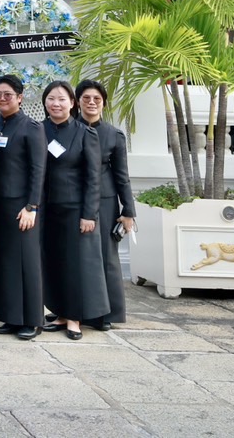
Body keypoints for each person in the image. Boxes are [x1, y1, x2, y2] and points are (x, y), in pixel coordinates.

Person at [39, 81, 110, 340]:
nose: (56, 104)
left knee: (75, 265)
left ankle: (74, 317)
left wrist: (89, 214)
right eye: (51, 99)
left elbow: (93, 178)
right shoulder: (39, 130)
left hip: (74, 209)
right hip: (46, 208)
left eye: (61, 99)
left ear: (72, 103)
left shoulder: (84, 133)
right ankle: (58, 312)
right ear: (45, 103)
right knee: (54, 262)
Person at [0, 73, 45, 340]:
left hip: (21, 206)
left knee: (26, 262)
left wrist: (32, 205)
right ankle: (10, 316)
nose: (2, 99)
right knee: (5, 262)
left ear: (20, 98)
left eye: (7, 95)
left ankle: (31, 320)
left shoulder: (31, 127)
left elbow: (38, 169)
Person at [78, 79, 135, 330]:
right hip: (73, 199)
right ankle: (76, 310)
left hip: (105, 202)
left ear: (103, 103)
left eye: (97, 99)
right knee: (78, 257)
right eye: (86, 98)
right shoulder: (70, 129)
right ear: (77, 101)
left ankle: (106, 314)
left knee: (105, 258)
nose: (91, 103)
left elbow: (122, 176)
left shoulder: (113, 134)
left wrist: (128, 211)